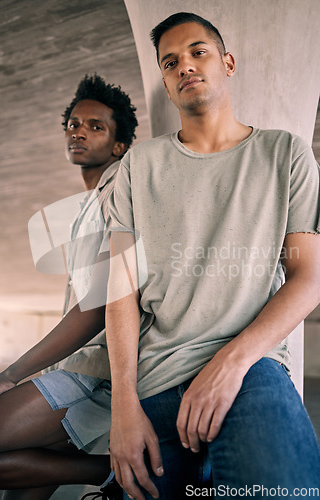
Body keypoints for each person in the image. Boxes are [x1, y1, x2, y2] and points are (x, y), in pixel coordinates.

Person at [105, 12, 320, 500]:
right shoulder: (139, 165)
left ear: (227, 62)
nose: (185, 66)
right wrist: (124, 405)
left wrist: (231, 363)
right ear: (164, 79)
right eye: (171, 62)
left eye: (198, 52)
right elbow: (120, 286)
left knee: (283, 489)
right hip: (155, 382)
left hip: (252, 368)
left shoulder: (285, 154)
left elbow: (309, 277)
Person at [0, 74, 137, 500]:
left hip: (94, 373)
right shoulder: (83, 210)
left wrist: (12, 374)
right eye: (73, 123)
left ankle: (106, 472)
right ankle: (106, 473)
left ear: (120, 145)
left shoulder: (120, 192)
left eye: (96, 126)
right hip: (74, 367)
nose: (79, 131)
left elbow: (101, 302)